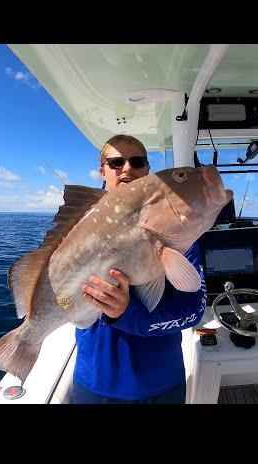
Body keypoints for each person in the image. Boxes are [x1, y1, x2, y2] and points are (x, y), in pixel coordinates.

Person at [72, 134, 207, 404]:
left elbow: (193, 311)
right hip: (97, 384)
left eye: (136, 161)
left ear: (147, 169)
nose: (127, 169)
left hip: (161, 383)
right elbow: (62, 295)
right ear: (102, 171)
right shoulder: (76, 227)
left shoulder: (177, 232)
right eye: (116, 162)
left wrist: (125, 313)